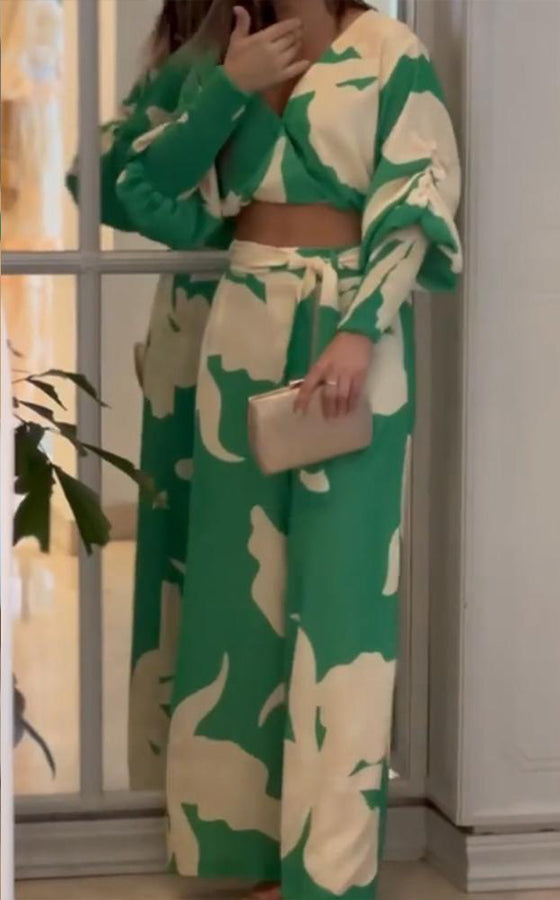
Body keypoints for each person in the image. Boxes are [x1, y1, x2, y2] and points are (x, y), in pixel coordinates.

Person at [115, 1, 463, 898]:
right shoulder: (225, 50)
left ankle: (328, 875)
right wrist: (227, 90)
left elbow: (417, 200)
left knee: (343, 601)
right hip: (242, 324)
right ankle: (240, 854)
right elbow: (142, 186)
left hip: (352, 336)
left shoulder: (390, 50)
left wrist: (359, 329)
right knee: (238, 593)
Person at [66, 2, 219, 790]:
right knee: (179, 552)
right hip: (195, 330)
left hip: (288, 324)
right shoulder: (193, 62)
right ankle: (169, 786)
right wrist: (198, 69)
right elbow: (94, 179)